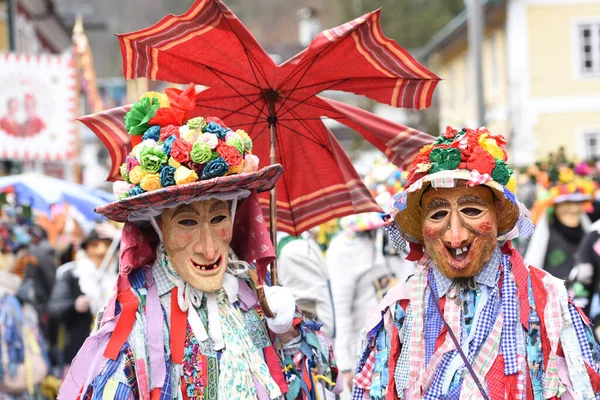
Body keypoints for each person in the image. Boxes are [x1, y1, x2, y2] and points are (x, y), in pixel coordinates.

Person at [58, 87, 339, 399]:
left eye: (218, 219)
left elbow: (318, 379)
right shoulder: (134, 319)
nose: (209, 248)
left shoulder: (251, 294)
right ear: (158, 226)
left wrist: (289, 333)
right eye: (187, 222)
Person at [353, 127, 600, 399]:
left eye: (471, 210)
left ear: (498, 218)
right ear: (422, 228)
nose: (455, 235)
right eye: (437, 214)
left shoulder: (547, 302)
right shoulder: (398, 312)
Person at [327, 159, 415, 392]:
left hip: (403, 351)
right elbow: (341, 311)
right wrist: (345, 365)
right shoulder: (344, 248)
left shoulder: (402, 244)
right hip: (362, 355)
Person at [48, 223, 117, 373]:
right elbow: (54, 308)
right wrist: (74, 306)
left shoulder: (121, 275)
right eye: (95, 245)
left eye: (107, 245)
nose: (101, 251)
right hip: (77, 352)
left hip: (112, 357)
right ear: (86, 249)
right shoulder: (71, 274)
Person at [524, 163, 595, 280]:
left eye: (578, 203)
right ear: (554, 207)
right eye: (567, 204)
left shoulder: (589, 234)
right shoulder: (545, 235)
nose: (574, 209)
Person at [276, 230, 335, 338]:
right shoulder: (295, 249)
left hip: (313, 335)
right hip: (310, 335)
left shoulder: (296, 247)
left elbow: (309, 302)